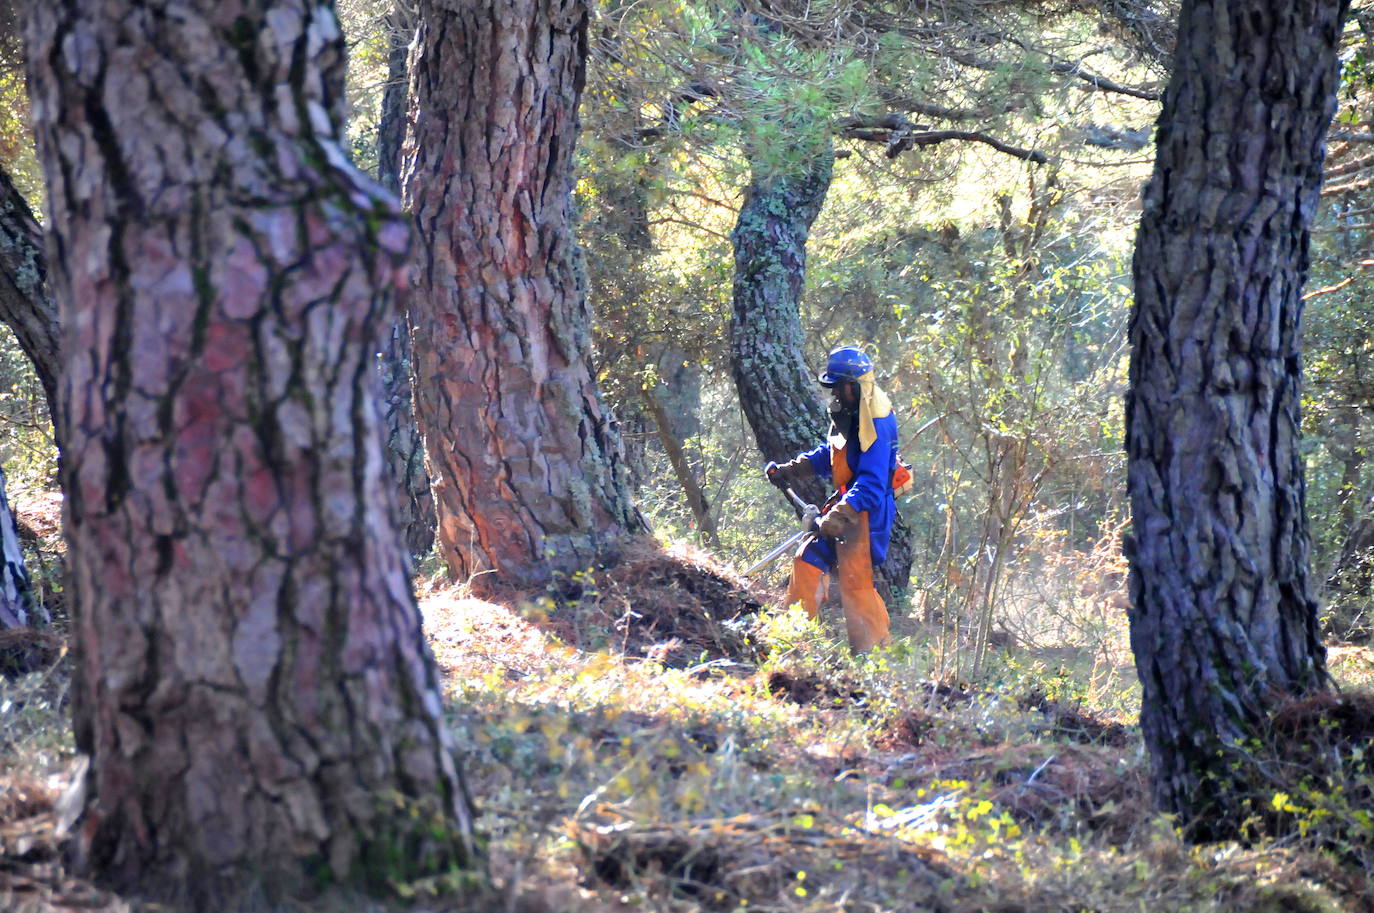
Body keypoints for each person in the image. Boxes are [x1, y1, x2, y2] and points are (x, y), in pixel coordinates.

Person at [765, 345, 897, 653]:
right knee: (807, 560)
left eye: (838, 387)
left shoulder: (876, 421)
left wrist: (836, 516)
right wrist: (791, 470)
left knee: (856, 586)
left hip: (865, 517)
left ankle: (875, 657)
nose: (834, 395)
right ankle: (794, 640)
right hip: (845, 505)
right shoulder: (852, 414)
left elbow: (872, 483)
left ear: (854, 386)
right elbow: (833, 454)